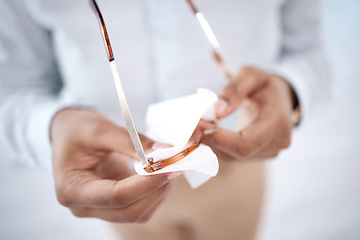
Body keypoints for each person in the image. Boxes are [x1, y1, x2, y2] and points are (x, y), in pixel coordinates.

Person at [0, 0, 329, 239]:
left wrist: (290, 92)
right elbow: (16, 86)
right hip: (116, 179)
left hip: (236, 168)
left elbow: (308, 50)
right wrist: (53, 127)